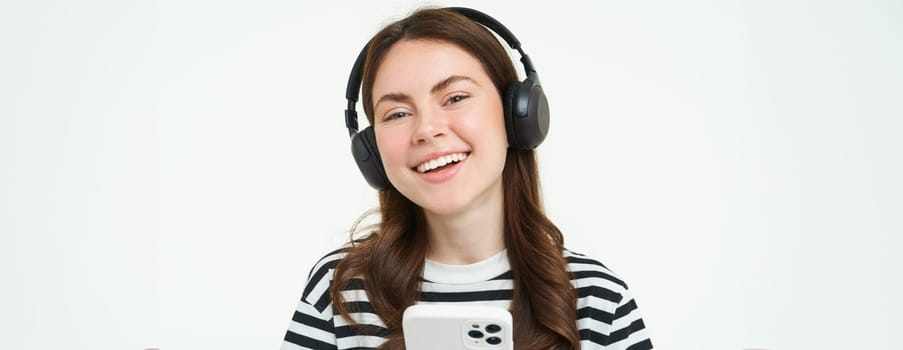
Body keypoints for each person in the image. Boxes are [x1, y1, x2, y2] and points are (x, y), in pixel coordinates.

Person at [281, 7, 653, 350]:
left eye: (455, 97)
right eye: (396, 114)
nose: (426, 129)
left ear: (517, 115)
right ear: (372, 151)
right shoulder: (340, 291)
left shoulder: (596, 298)